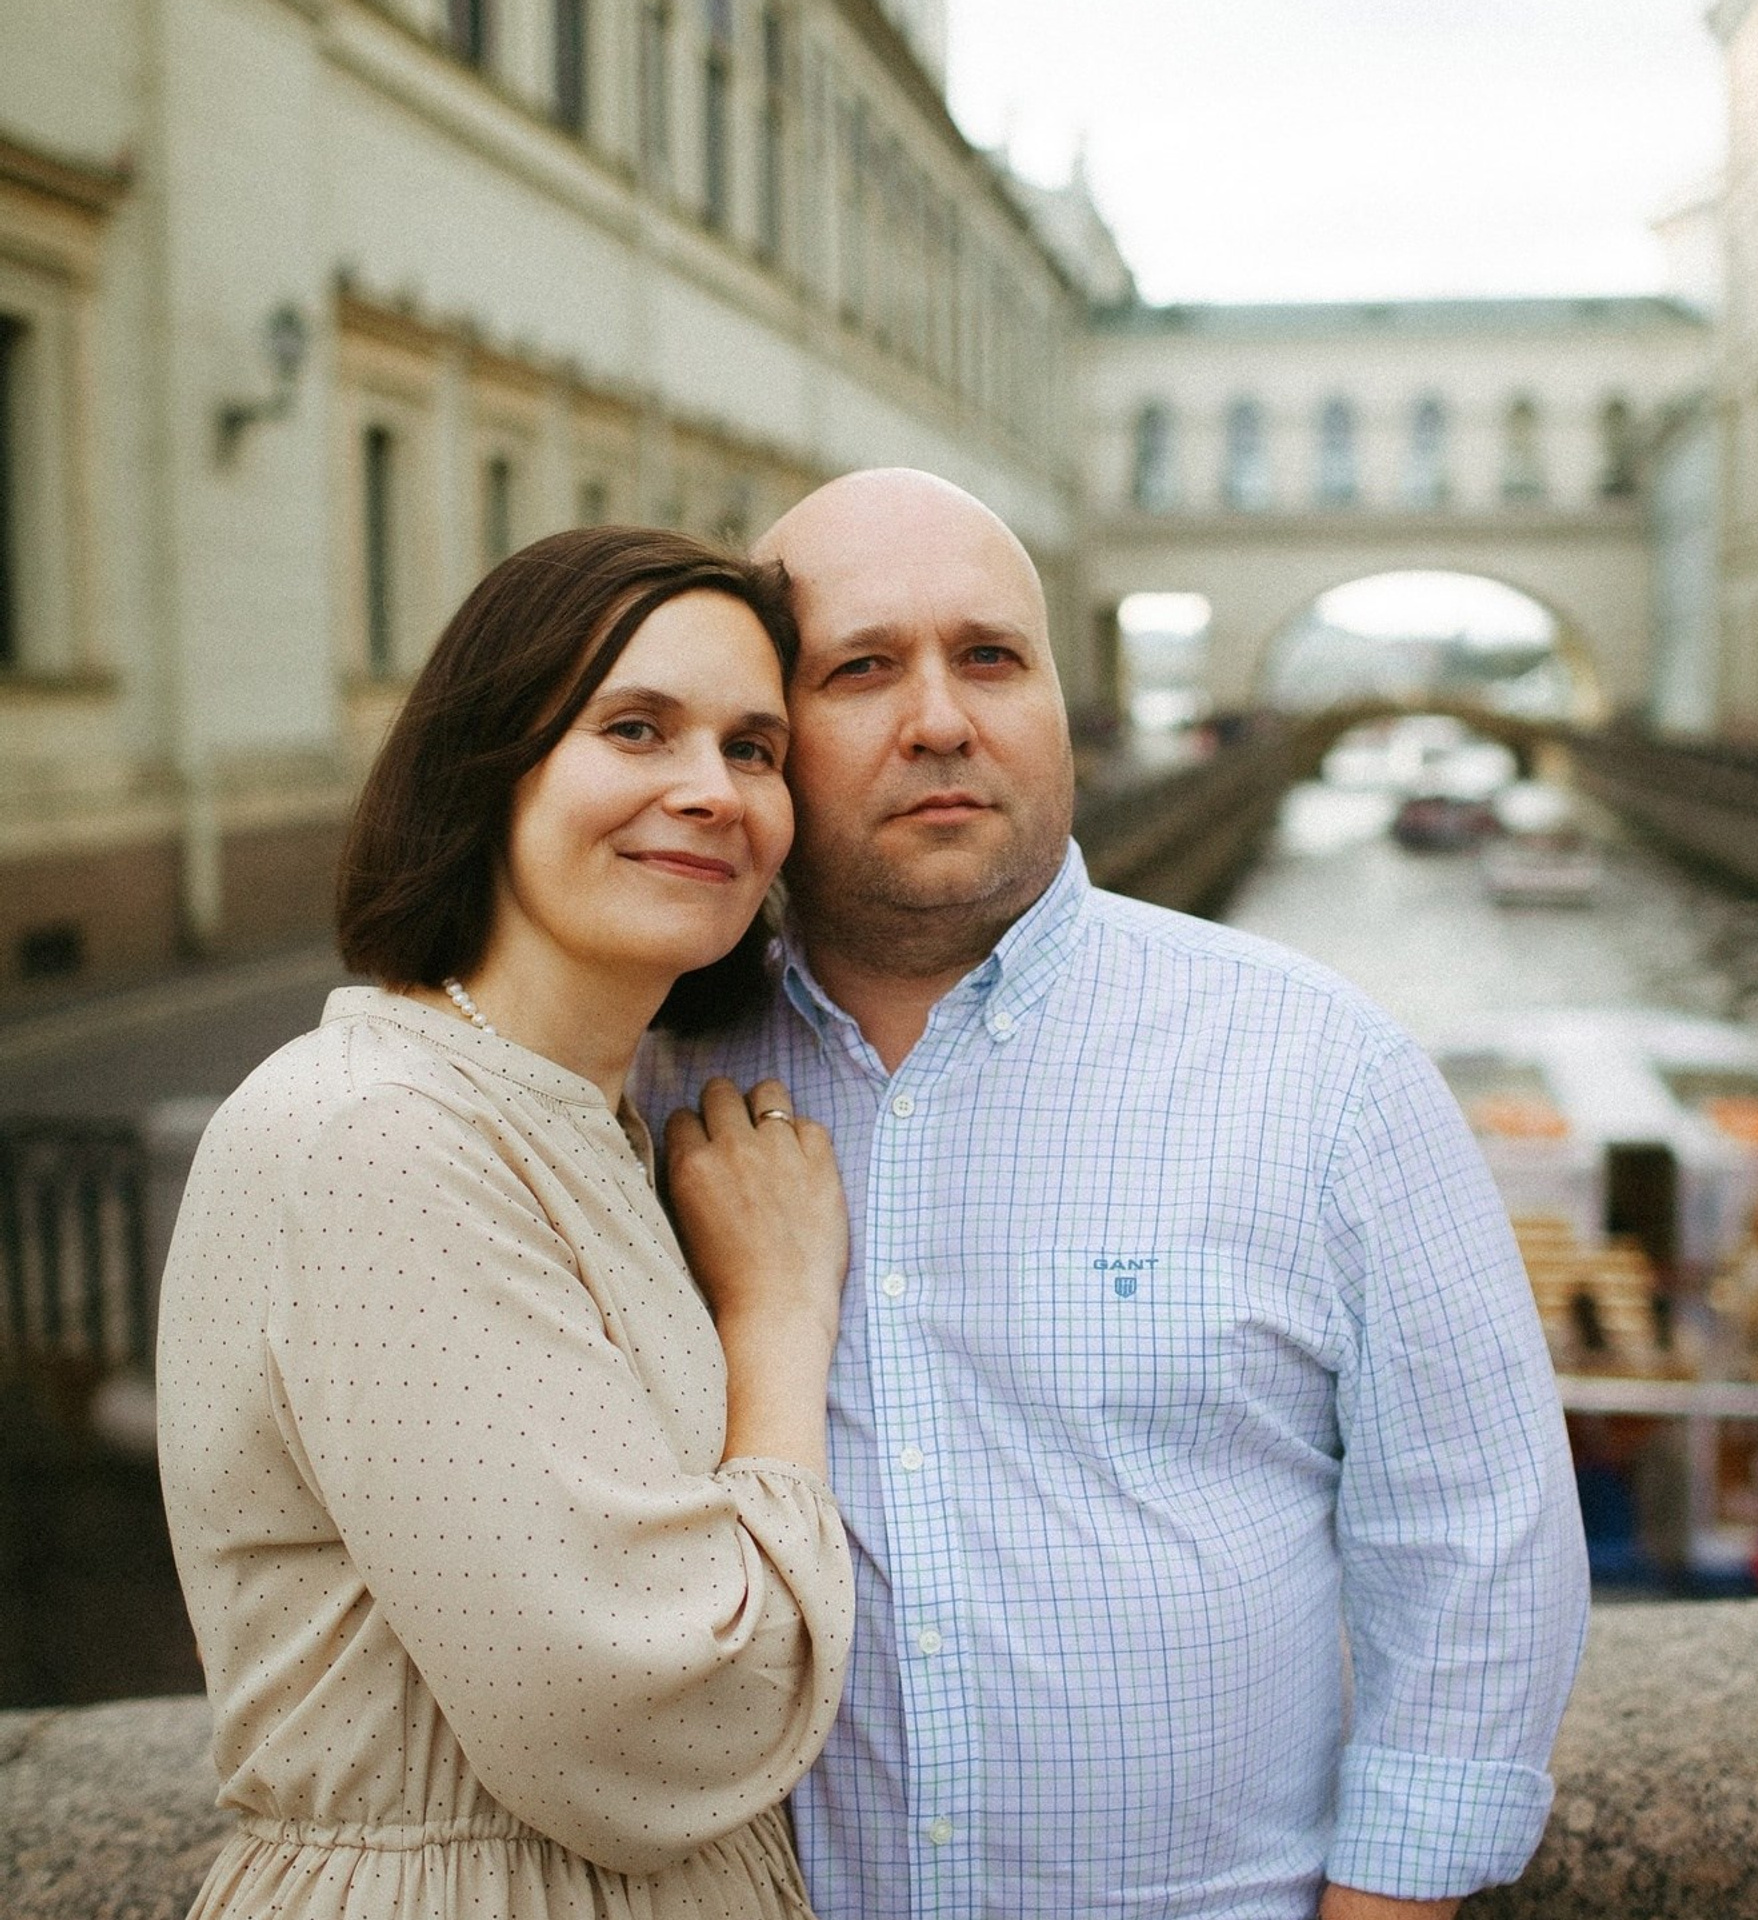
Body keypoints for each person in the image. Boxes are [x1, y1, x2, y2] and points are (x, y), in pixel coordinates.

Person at [632, 469, 1590, 1920]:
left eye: (993, 658)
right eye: (864, 669)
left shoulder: (1323, 1068)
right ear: (767, 745)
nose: (942, 718)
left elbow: (1476, 1547)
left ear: (1058, 701)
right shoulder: (637, 1085)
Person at [157, 527, 855, 1920]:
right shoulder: (381, 1137)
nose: (709, 790)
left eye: (755, 748)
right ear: (489, 765)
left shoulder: (563, 1115)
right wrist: (778, 1315)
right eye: (636, 727)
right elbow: (660, 1732)